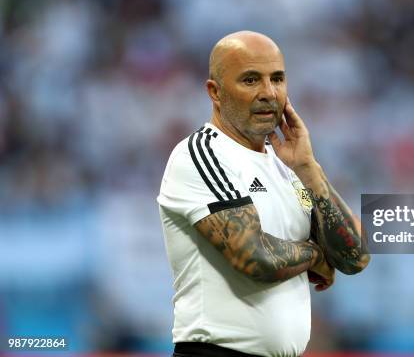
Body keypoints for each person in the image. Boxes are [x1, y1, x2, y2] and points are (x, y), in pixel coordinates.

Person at [157, 31, 370, 357]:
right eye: (251, 80)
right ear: (215, 92)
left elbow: (355, 255)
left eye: (278, 79)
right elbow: (253, 256)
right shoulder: (201, 155)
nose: (269, 93)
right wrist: (315, 255)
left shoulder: (288, 169)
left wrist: (309, 169)